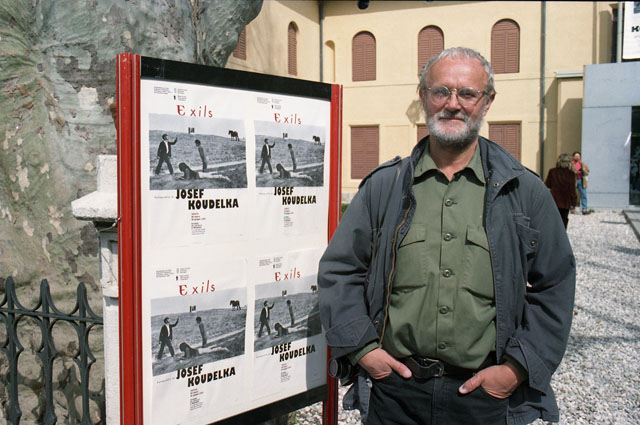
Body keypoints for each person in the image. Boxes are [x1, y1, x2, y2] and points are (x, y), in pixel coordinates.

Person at [318, 47, 575, 425]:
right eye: (441, 91)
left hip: (484, 398)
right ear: (423, 97)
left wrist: (516, 369)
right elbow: (340, 270)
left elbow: (555, 283)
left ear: (487, 102)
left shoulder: (523, 192)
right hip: (394, 393)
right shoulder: (385, 187)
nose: (453, 104)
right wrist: (363, 349)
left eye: (467, 93)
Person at [545, 154, 578, 229]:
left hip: (554, 199)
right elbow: (572, 190)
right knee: (564, 219)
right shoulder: (571, 174)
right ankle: (562, 234)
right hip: (565, 200)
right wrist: (574, 202)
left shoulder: (552, 171)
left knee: (553, 220)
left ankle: (553, 234)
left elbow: (547, 184)